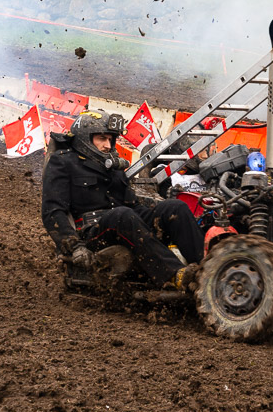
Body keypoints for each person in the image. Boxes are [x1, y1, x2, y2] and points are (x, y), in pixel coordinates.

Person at [41, 110, 203, 292]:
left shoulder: (113, 164)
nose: (107, 145)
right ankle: (175, 276)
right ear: (85, 138)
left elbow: (132, 204)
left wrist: (160, 211)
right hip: (91, 234)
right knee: (122, 215)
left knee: (175, 207)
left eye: (110, 139)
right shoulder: (63, 162)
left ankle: (206, 272)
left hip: (125, 220)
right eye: (102, 138)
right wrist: (74, 246)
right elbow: (52, 211)